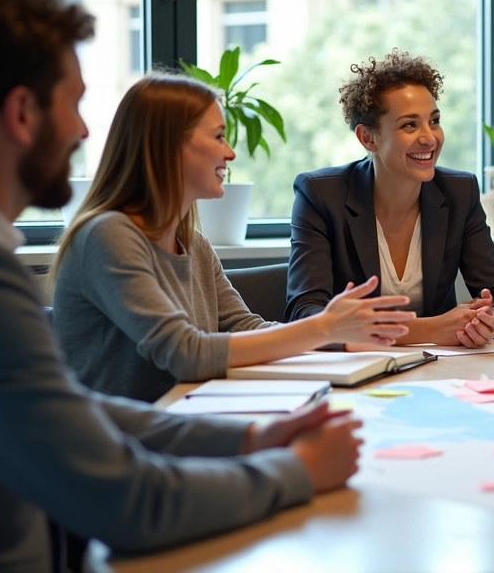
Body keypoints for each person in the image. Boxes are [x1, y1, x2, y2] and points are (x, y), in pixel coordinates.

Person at [0, 0, 363, 571]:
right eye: (73, 103)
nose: (81, 131)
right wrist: (298, 470)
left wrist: (249, 440)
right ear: (22, 113)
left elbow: (74, 407)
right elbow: (132, 504)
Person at [53, 74, 415, 402]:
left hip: (186, 422)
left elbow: (246, 329)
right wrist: (322, 327)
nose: (230, 152)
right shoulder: (107, 236)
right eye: (218, 136)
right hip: (125, 447)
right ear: (167, 146)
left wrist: (340, 336)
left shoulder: (193, 243)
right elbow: (186, 355)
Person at [287, 49, 494, 348]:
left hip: (438, 372)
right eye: (410, 125)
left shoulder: (460, 192)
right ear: (368, 138)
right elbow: (305, 316)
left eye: (434, 121)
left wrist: (487, 323)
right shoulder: (320, 196)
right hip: (353, 374)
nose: (429, 138)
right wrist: (431, 330)